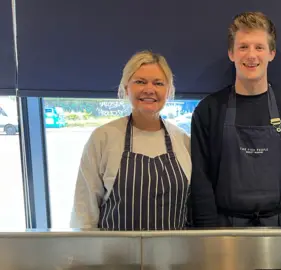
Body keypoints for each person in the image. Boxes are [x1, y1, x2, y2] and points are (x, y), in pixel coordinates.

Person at [190, 11, 281, 227]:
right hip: (223, 229)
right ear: (231, 53)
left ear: (271, 53)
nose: (251, 55)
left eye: (259, 47)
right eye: (243, 47)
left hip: (280, 227)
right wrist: (208, 234)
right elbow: (201, 180)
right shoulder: (208, 110)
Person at [70, 50, 191, 230]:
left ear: (168, 91)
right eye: (140, 82)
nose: (149, 89)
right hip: (115, 256)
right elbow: (84, 212)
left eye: (158, 83)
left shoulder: (183, 140)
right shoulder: (103, 138)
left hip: (172, 256)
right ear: (126, 88)